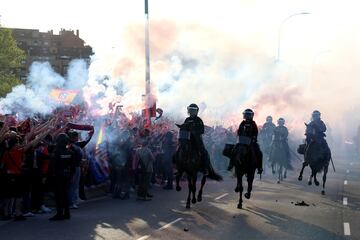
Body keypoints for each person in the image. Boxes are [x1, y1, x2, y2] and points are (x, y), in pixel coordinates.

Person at [48, 133, 76, 221]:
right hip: (67, 176)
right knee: (65, 194)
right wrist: (71, 175)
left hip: (58, 176)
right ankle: (67, 213)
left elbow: (52, 166)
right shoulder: (70, 152)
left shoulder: (56, 152)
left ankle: (60, 214)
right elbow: (73, 167)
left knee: (58, 195)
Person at [228, 109, 263, 174]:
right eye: (246, 115)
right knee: (234, 150)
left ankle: (259, 167)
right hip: (242, 142)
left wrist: (253, 138)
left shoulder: (253, 123)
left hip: (251, 142)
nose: (247, 116)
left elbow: (256, 132)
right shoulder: (242, 123)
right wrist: (240, 136)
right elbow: (239, 132)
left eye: (248, 115)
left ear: (251, 115)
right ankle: (231, 164)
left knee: (259, 152)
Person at [182, 103, 211, 174]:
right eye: (190, 110)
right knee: (179, 150)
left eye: (192, 110)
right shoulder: (187, 119)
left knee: (204, 152)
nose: (190, 111)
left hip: (197, 140)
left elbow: (202, 130)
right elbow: (184, 129)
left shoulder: (199, 120)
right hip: (188, 139)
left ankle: (205, 168)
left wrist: (194, 131)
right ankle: (180, 167)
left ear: (196, 111)